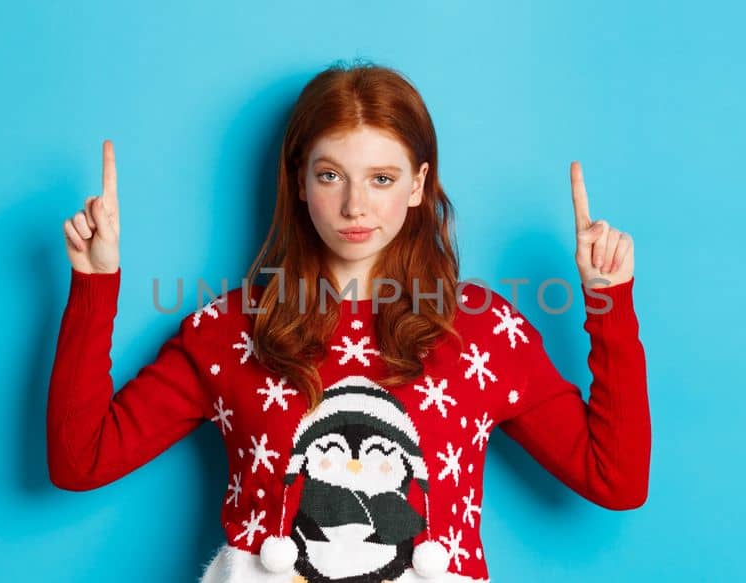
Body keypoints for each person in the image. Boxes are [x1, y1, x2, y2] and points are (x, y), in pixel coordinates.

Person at [47, 62, 650, 583]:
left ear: (418, 185)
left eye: (381, 179)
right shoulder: (229, 331)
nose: (355, 206)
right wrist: (94, 284)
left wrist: (608, 302)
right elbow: (81, 461)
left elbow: (615, 480)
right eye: (331, 175)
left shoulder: (483, 332)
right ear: (300, 183)